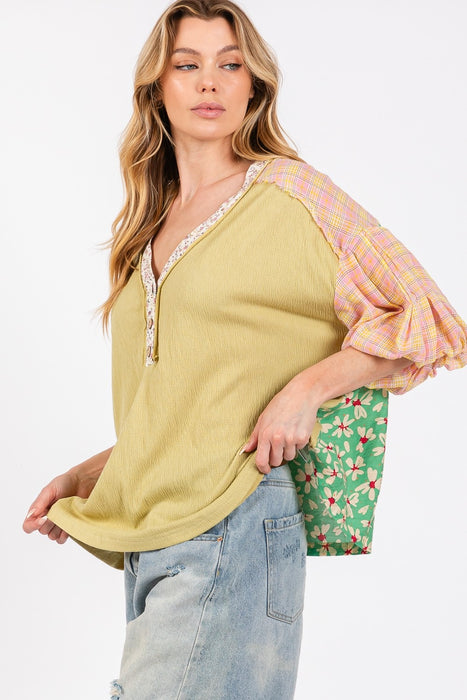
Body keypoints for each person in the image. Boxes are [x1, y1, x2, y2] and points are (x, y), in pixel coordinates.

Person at [22, 1, 467, 698]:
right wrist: (92, 473)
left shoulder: (292, 193)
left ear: (253, 86)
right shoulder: (146, 226)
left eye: (230, 65)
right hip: (157, 534)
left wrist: (306, 390)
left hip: (233, 518)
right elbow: (198, 402)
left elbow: (429, 318)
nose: (210, 82)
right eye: (187, 65)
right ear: (156, 88)